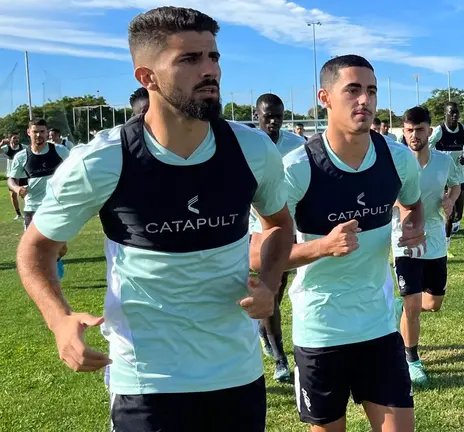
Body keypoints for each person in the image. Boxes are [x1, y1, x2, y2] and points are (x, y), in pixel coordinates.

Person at [15, 7, 294, 431]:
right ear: (146, 77)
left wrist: (270, 285)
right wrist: (59, 320)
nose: (209, 71)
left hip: (237, 374)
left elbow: (278, 224)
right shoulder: (103, 160)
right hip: (146, 382)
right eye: (189, 59)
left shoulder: (253, 150)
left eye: (213, 57)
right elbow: (35, 248)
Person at [264, 54, 426, 432]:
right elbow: (261, 252)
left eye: (371, 91)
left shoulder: (398, 159)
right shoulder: (297, 168)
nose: (364, 100)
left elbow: (413, 203)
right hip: (320, 331)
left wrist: (411, 221)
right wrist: (322, 247)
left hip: (380, 328)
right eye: (352, 90)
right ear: (325, 98)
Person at [392, 106, 460, 387]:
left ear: (429, 131)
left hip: (434, 240)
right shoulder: (397, 161)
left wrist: (450, 200)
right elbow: (385, 195)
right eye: (408, 130)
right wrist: (406, 211)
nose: (413, 135)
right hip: (404, 240)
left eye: (419, 129)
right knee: (412, 306)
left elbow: (455, 185)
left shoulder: (444, 162)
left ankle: (402, 302)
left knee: (432, 304)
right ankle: (412, 360)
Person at [249, 92, 306, 383]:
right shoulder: (245, 144)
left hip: (290, 227)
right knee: (272, 289)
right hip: (257, 231)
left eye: (278, 117)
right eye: (267, 115)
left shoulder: (297, 145)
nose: (273, 121)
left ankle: (265, 332)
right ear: (256, 114)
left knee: (282, 289)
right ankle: (280, 357)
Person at [8, 119, 69, 278]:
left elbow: (74, 168)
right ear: (29, 132)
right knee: (33, 246)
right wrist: (17, 188)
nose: (39, 135)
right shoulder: (22, 156)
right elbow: (11, 179)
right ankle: (43, 275)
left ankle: (56, 258)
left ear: (47, 132)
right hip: (32, 207)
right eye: (35, 131)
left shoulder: (60, 151)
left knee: (61, 247)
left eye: (42, 131)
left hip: (56, 205)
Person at [429, 102, 464, 247]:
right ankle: (445, 242)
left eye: (456, 113)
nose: (454, 115)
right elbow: (427, 148)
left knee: (458, 214)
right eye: (451, 113)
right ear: (445, 114)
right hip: (442, 175)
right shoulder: (439, 131)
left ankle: (447, 228)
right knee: (449, 211)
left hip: (458, 175)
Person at [1, 132, 24, 219]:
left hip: (23, 174)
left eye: (17, 138)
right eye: (14, 138)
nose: (16, 140)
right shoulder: (7, 148)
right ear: (9, 139)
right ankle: (18, 214)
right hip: (12, 175)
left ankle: (31, 212)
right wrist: (1, 143)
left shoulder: (23, 147)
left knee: (25, 193)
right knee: (13, 195)